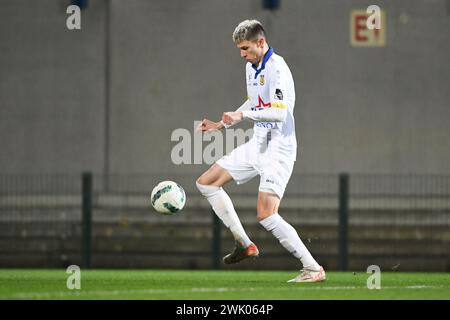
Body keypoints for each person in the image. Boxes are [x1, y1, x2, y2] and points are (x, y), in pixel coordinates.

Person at [195, 19, 325, 283]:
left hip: (279, 148)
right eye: (240, 49)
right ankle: (243, 244)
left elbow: (278, 112)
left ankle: (313, 268)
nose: (242, 54)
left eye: (245, 48)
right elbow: (255, 102)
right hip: (258, 143)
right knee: (206, 183)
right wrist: (222, 124)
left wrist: (240, 115)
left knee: (266, 213)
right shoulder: (250, 68)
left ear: (261, 42)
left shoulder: (278, 69)